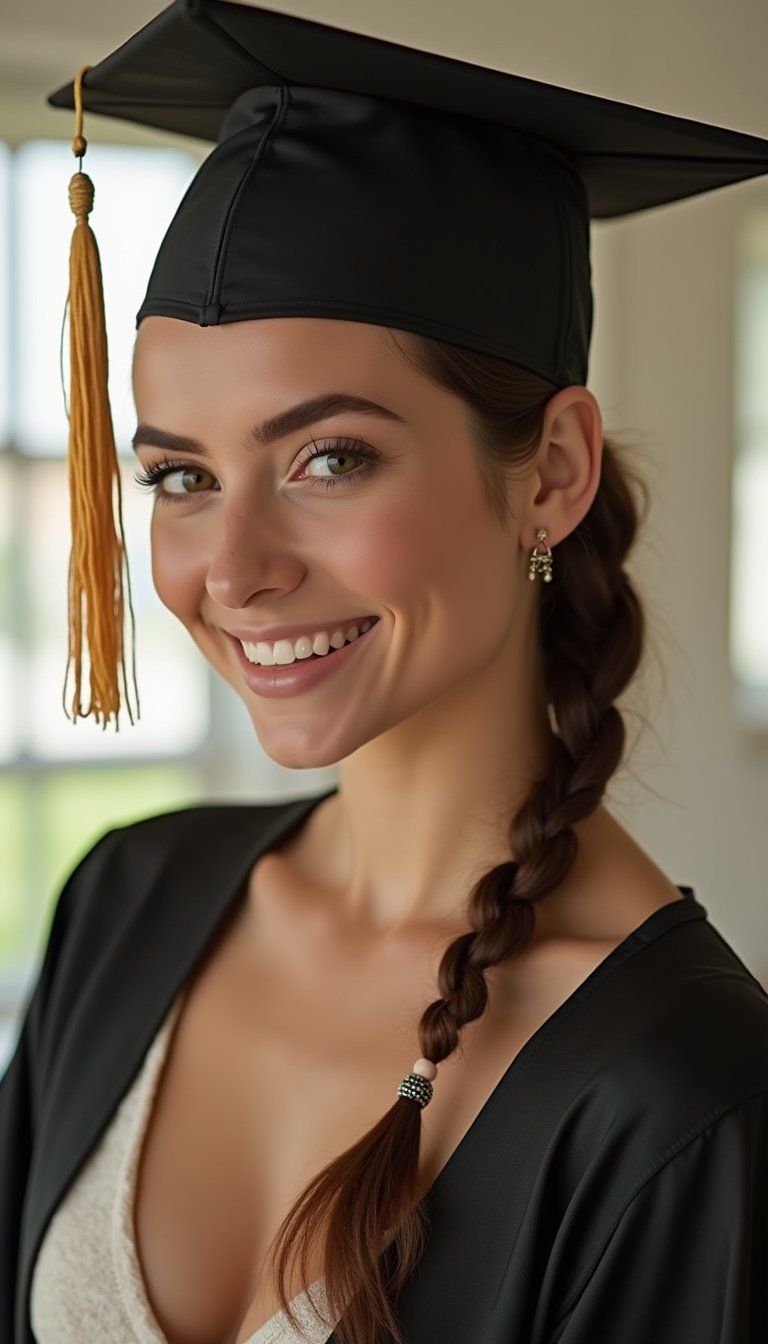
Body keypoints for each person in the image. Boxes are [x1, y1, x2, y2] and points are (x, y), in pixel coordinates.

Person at [2, 3, 768, 1342]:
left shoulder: (687, 1101)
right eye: (181, 475)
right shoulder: (128, 902)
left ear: (555, 473)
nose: (231, 569)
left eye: (330, 458)